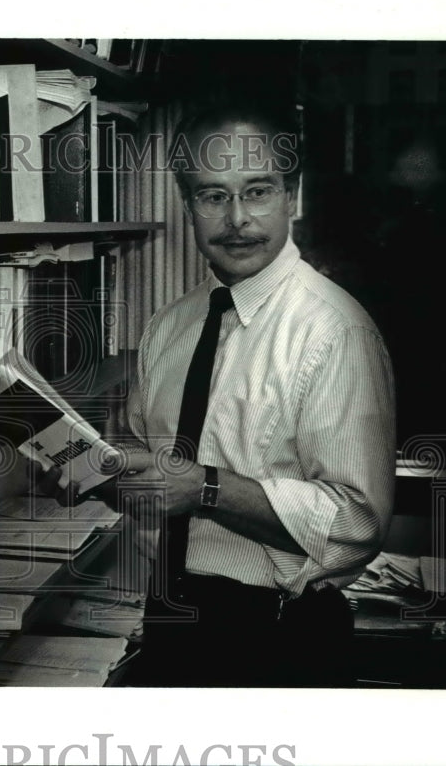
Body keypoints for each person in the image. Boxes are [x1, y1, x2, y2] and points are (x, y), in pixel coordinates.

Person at [107, 99, 396, 687]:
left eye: (257, 191)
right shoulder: (168, 327)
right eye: (213, 196)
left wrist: (206, 488)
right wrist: (98, 473)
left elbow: (357, 524)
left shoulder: (334, 330)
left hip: (277, 643)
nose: (236, 219)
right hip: (165, 621)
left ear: (292, 197)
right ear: (189, 207)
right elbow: (153, 476)